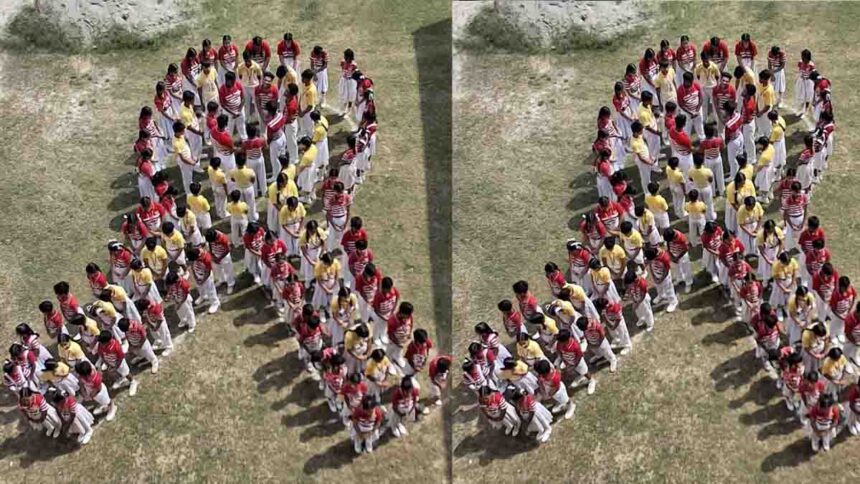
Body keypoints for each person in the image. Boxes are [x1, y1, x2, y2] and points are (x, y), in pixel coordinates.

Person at [186, 246, 220, 314]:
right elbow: (192, 264)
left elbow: (208, 271)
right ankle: (203, 296)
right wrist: (195, 276)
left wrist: (203, 280)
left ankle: (215, 303)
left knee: (210, 290)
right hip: (198, 273)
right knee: (199, 287)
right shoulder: (194, 254)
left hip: (206, 277)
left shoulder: (206, 258)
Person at [795, 49, 815, 117]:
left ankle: (805, 110)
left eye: (804, 58)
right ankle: (800, 109)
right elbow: (799, 71)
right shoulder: (800, 62)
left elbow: (812, 74)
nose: (803, 59)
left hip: (808, 82)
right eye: (802, 57)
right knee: (801, 95)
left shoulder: (811, 65)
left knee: (808, 97)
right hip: (801, 80)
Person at [756, 70, 775, 137]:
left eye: (761, 78)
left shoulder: (768, 90)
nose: (759, 80)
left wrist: (760, 112)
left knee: (767, 125)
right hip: (760, 107)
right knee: (760, 123)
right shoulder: (761, 85)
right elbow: (758, 97)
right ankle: (760, 135)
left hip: (765, 111)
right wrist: (757, 109)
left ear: (765, 79)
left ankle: (767, 137)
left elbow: (768, 105)